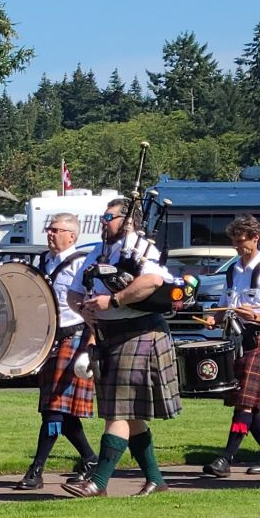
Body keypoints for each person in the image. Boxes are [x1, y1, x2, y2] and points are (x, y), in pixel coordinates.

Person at [63, 198, 181, 498]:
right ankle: (156, 480)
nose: (104, 222)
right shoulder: (98, 252)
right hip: (109, 335)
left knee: (117, 412)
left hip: (140, 333)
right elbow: (74, 292)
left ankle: (97, 483)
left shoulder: (143, 249)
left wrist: (113, 301)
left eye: (109, 216)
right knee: (130, 415)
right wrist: (84, 310)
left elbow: (153, 281)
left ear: (128, 220)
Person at [15, 213, 97, 490]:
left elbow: (93, 308)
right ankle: (89, 459)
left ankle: (36, 469)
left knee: (53, 409)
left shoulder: (83, 265)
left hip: (74, 337)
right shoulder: (43, 262)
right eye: (48, 229)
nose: (50, 234)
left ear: (72, 236)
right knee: (63, 411)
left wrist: (90, 347)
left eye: (56, 230)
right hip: (48, 340)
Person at [202, 215, 260, 477]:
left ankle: (226, 459)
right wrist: (212, 317)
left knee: (244, 404)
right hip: (236, 341)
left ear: (256, 238)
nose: (238, 247)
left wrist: (257, 317)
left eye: (242, 242)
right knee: (249, 404)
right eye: (234, 243)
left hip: (258, 339)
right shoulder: (233, 271)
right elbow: (224, 305)